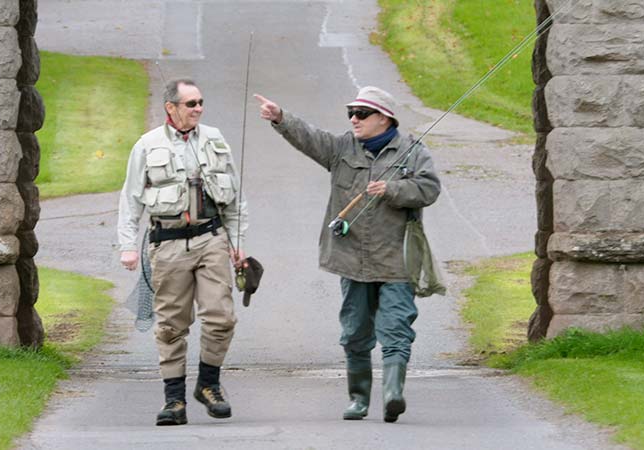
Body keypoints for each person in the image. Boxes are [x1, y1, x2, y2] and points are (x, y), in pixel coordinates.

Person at [254, 87, 440, 423]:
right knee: (354, 332)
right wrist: (280, 118)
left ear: (384, 118)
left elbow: (430, 189)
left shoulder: (412, 151)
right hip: (351, 260)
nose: (353, 118)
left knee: (396, 327)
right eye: (351, 113)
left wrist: (393, 189)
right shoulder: (341, 148)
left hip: (396, 259)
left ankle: (393, 394)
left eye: (361, 113)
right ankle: (358, 399)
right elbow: (308, 138)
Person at [117, 78, 248, 426]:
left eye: (201, 102)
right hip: (167, 243)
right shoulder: (147, 145)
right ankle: (174, 400)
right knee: (172, 325)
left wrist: (238, 244)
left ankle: (208, 384)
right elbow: (130, 199)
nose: (199, 109)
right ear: (171, 108)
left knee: (221, 316)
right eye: (191, 103)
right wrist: (128, 247)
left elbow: (235, 197)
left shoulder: (216, 139)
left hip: (211, 239)